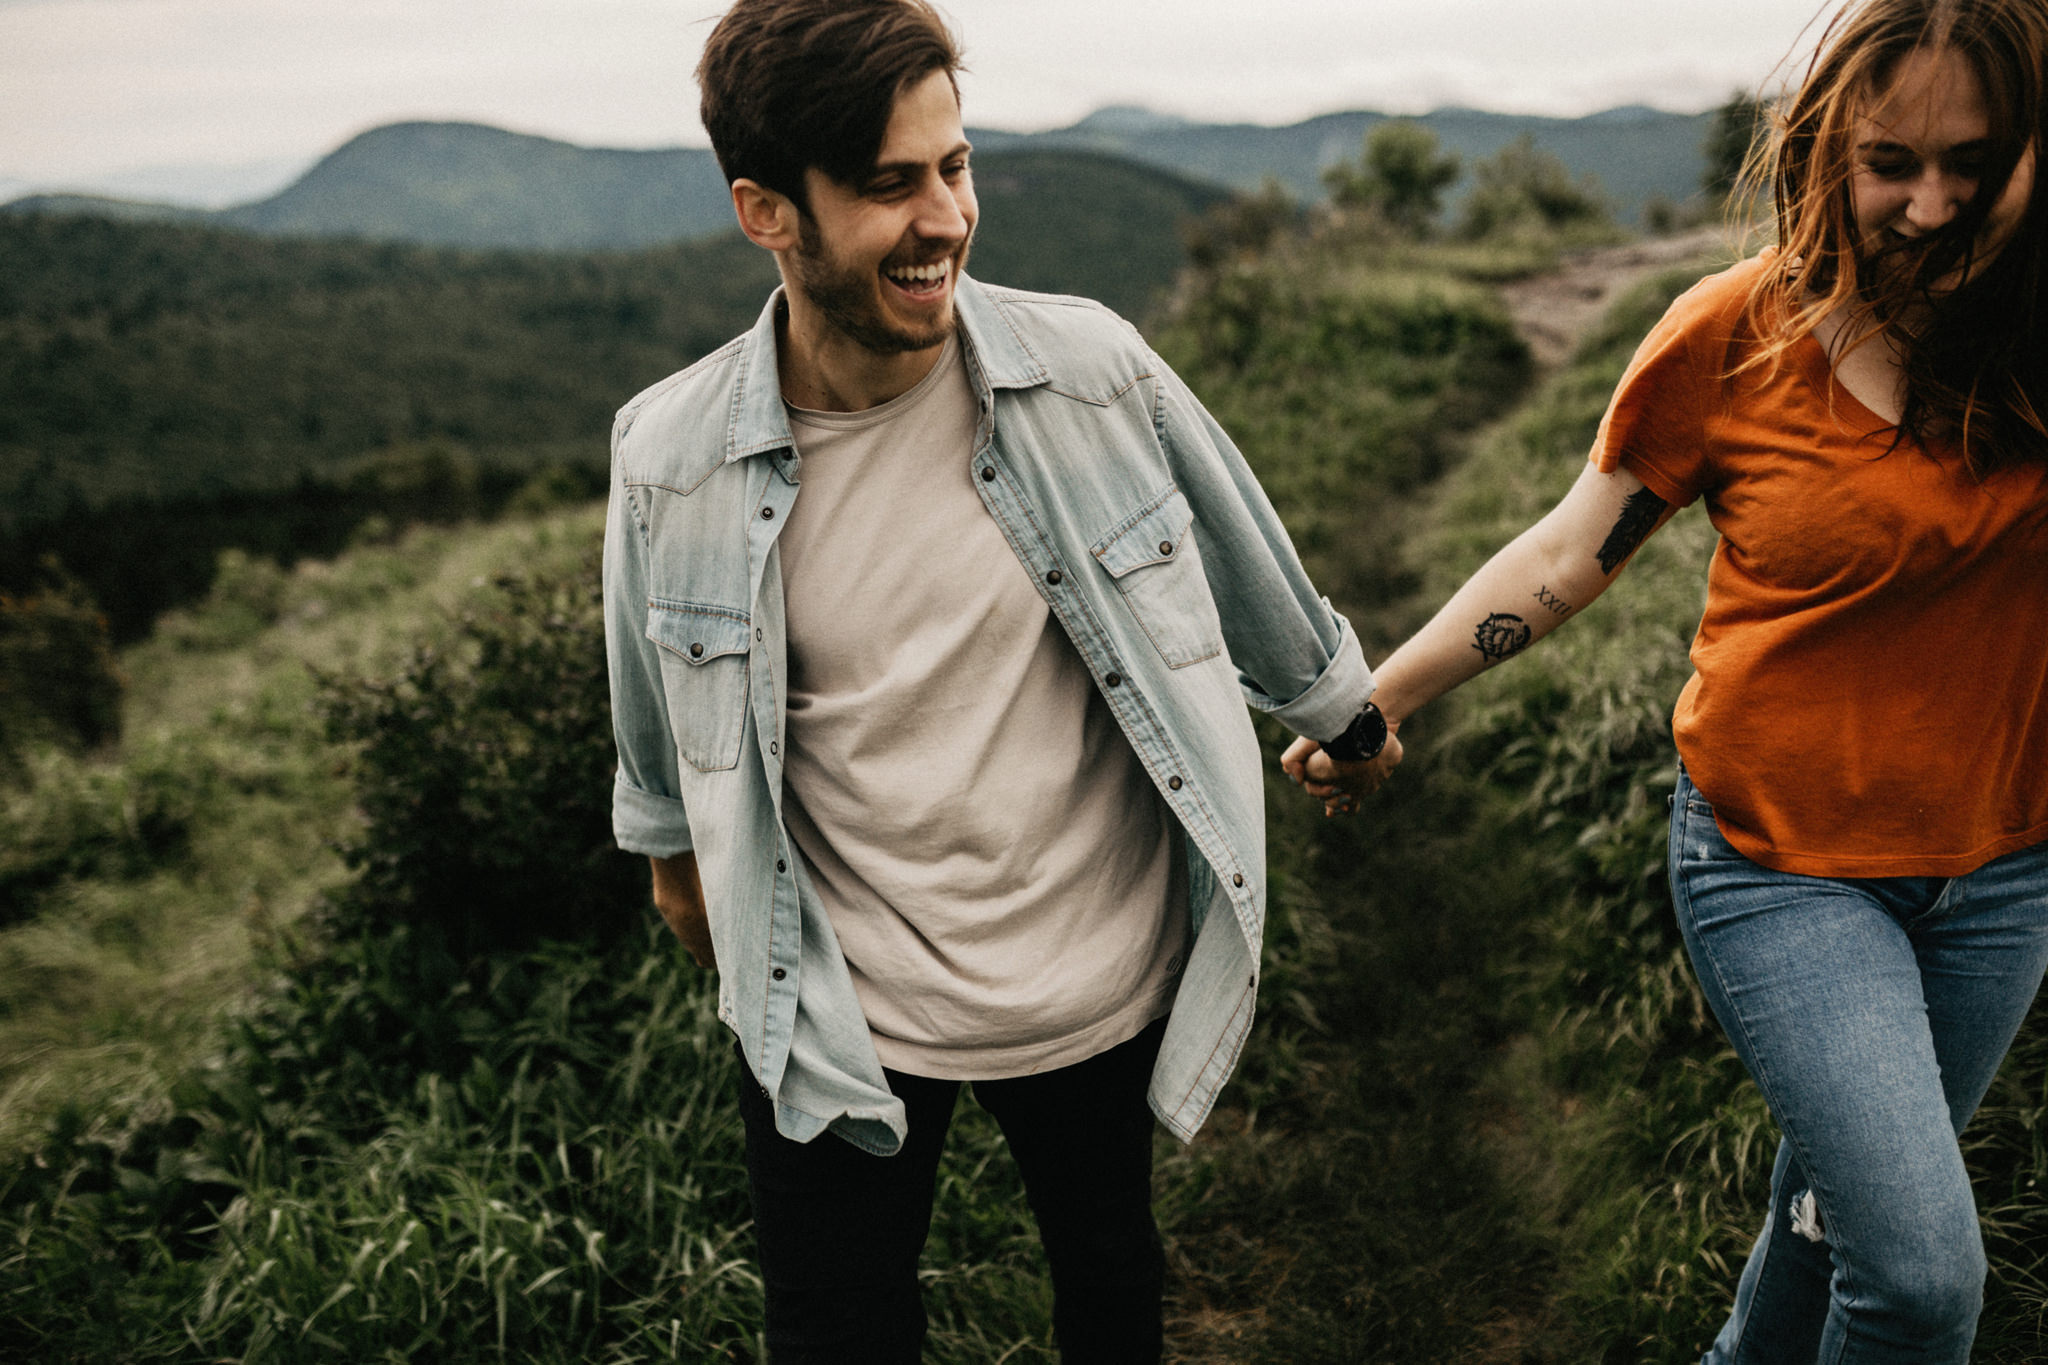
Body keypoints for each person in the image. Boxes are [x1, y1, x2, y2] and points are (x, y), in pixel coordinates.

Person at [601, 2, 1394, 1359]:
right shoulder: (669, 458)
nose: (945, 218)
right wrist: (714, 911)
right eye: (888, 184)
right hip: (838, 1014)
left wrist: (1347, 719)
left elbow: (1247, 553)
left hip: (1092, 978)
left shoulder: (1086, 370)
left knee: (1108, 1285)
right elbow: (661, 783)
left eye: (953, 167)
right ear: (766, 210)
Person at [1285, 0, 2048, 1358]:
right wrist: (1383, 700)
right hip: (1780, 865)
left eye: (1975, 165)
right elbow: (1573, 553)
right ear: (1825, 152)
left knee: (1836, 1213)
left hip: (2004, 873)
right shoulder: (1733, 339)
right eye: (1893, 164)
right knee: (1923, 1279)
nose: (1932, 207)